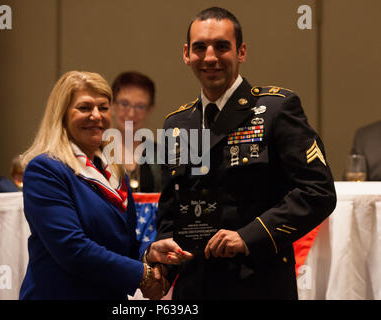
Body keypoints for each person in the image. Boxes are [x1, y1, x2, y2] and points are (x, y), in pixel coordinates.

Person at [143, 7, 337, 299]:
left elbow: (318, 192)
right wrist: (162, 262)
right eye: (200, 47)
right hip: (195, 288)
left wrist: (248, 236)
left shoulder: (276, 109)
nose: (210, 57)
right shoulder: (177, 124)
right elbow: (171, 214)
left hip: (258, 283)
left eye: (222, 46)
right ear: (186, 54)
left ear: (241, 51)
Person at [18, 71, 169, 300]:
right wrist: (143, 275)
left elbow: (124, 244)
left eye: (103, 107)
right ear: (62, 114)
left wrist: (149, 254)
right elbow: (72, 248)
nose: (96, 116)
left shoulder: (113, 169)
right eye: (85, 108)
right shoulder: (46, 169)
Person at [111, 71, 161, 193]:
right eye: (124, 104)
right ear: (112, 105)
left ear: (150, 110)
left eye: (140, 106)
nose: (131, 113)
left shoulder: (160, 155)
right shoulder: (97, 151)